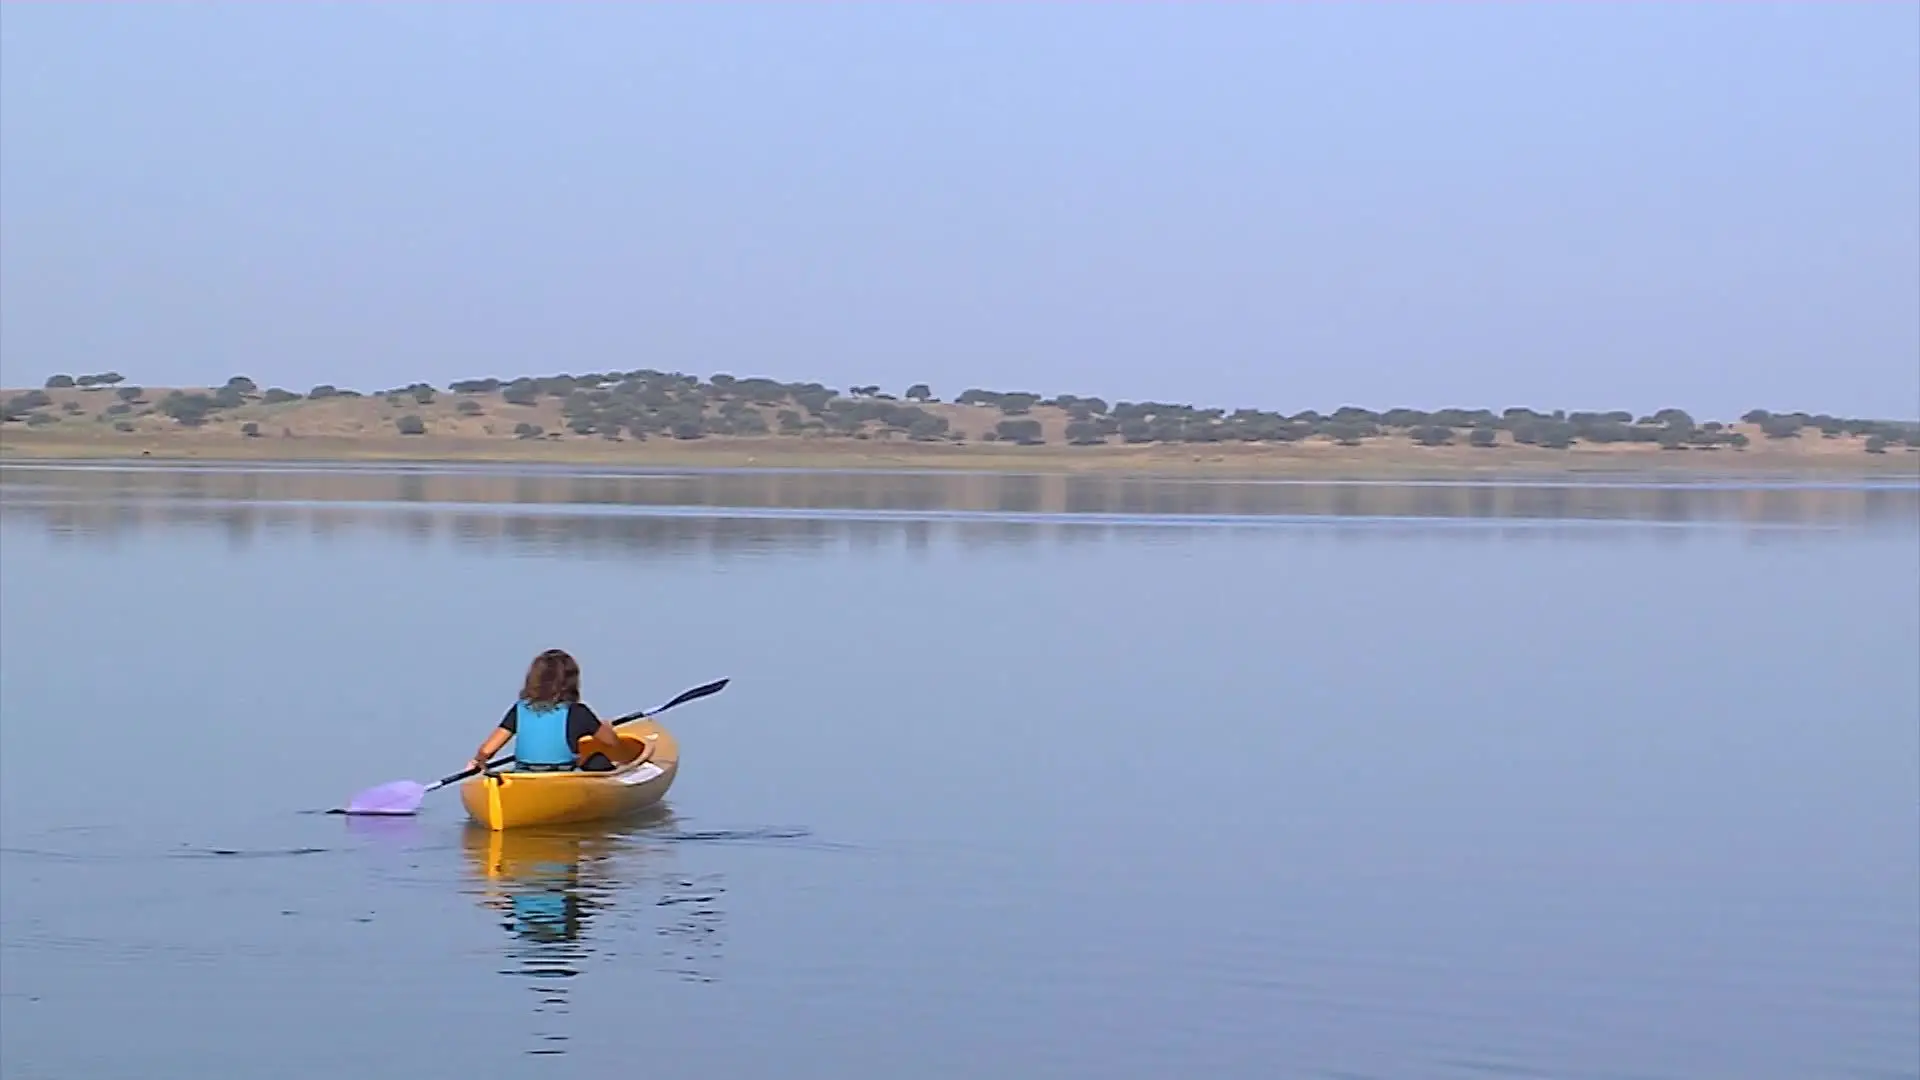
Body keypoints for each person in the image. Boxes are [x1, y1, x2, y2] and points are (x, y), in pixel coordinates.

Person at [469, 649, 627, 774]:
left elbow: (487, 750)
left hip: (526, 775)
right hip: (562, 776)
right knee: (598, 760)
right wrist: (605, 727)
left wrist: (478, 761)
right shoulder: (579, 711)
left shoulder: (520, 708)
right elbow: (611, 741)